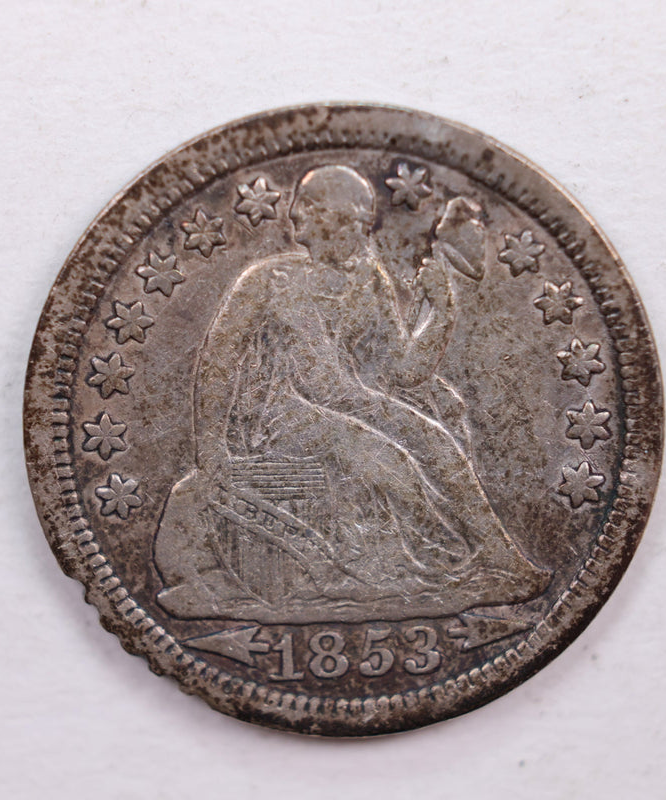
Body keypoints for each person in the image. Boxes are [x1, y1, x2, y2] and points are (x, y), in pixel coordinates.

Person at [154, 165, 549, 623]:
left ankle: (498, 557)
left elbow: (403, 372)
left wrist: (440, 313)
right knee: (387, 458)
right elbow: (217, 362)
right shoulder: (268, 280)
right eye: (302, 206)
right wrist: (210, 447)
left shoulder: (369, 280)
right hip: (275, 417)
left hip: (347, 400)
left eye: (309, 207)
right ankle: (443, 562)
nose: (295, 216)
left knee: (433, 438)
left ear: (335, 219)